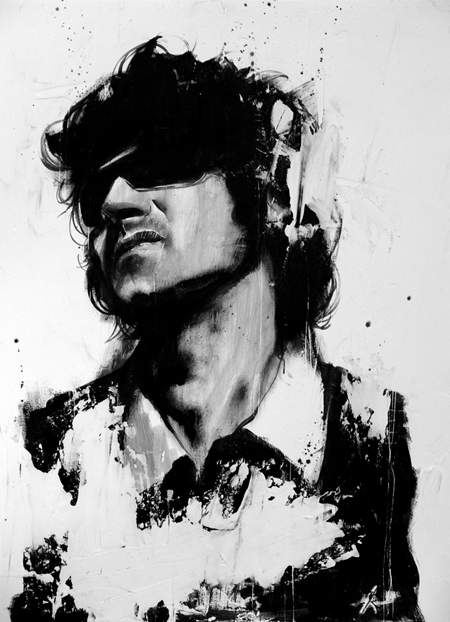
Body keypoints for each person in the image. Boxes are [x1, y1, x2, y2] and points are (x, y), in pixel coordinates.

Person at [11, 37, 422, 622]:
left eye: (161, 162)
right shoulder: (48, 458)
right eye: (98, 188)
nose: (115, 201)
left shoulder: (382, 443)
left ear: (272, 191)